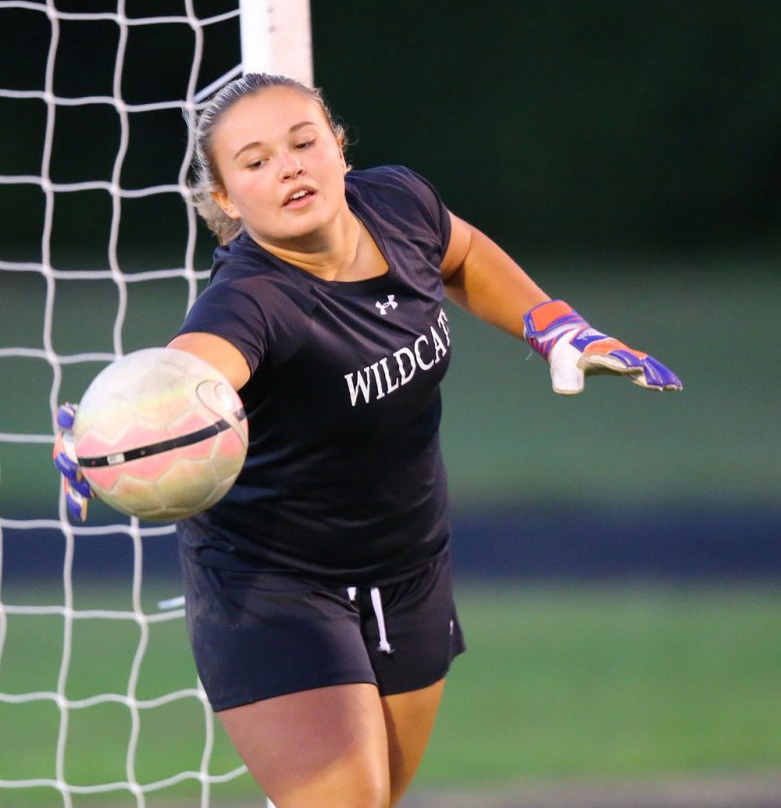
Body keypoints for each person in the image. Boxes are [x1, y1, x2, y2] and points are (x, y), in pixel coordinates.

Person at [54, 73, 681, 808]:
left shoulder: (398, 203)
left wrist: (552, 326)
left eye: (303, 142)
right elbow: (194, 372)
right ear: (225, 200)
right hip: (275, 588)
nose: (288, 166)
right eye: (254, 162)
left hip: (409, 565)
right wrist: (117, 435)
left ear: (338, 149)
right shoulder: (251, 300)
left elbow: (463, 252)